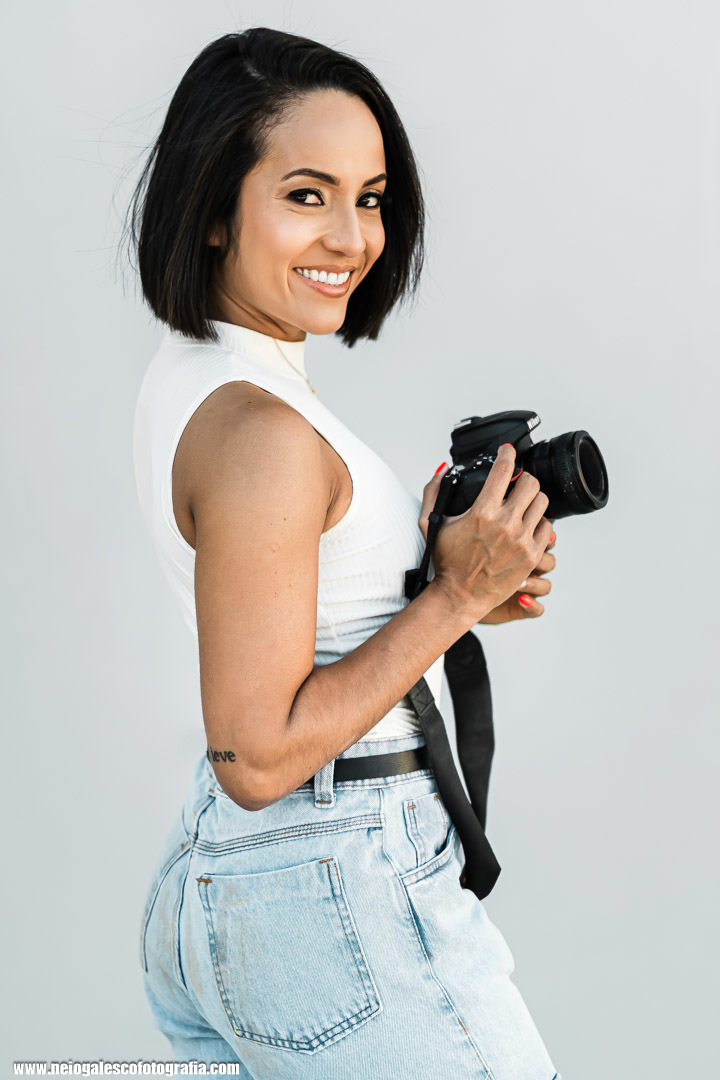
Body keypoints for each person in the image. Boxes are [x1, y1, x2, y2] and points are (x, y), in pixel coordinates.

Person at [128, 27, 561, 1080]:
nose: (353, 237)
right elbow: (258, 757)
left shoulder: (204, 378)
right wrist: (452, 598)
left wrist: (454, 590)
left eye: (369, 199)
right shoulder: (262, 432)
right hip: (334, 876)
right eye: (306, 195)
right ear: (215, 207)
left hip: (251, 882)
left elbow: (295, 635)